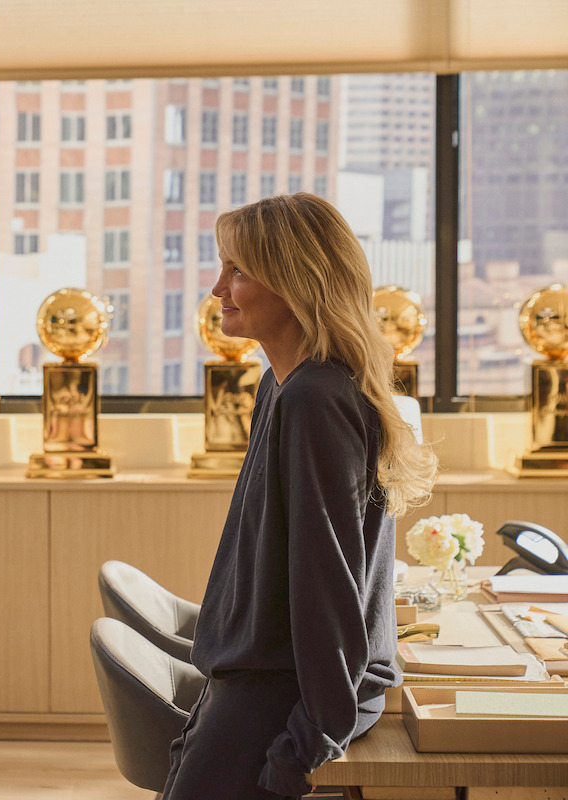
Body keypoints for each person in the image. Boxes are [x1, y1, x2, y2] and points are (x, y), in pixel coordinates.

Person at [163, 193, 438, 799]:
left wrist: (306, 741)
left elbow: (327, 581)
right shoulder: (283, 386)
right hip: (253, 686)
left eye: (237, 271)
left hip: (281, 699)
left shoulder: (317, 398)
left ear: (294, 283)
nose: (217, 289)